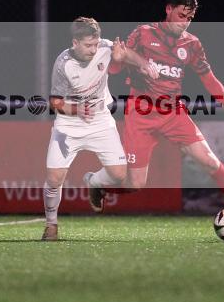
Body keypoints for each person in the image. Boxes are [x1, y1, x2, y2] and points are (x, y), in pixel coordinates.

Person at [104, 0, 224, 229]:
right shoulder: (143, 33)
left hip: (173, 113)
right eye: (182, 15)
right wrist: (117, 59)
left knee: (209, 160)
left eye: (190, 18)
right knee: (135, 183)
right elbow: (115, 70)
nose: (185, 23)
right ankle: (98, 187)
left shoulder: (192, 44)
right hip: (141, 113)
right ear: (168, 9)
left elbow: (209, 79)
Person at [43, 17, 156, 241]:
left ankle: (93, 182)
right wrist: (77, 110)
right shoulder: (63, 63)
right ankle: (51, 225)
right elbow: (54, 102)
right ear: (75, 42)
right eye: (88, 45)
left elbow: (126, 54)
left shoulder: (104, 47)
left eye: (95, 44)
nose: (94, 49)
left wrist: (144, 64)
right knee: (55, 178)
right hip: (69, 125)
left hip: (101, 121)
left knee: (118, 174)